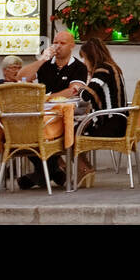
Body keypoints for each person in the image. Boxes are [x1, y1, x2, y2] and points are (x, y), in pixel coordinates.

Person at [15, 30, 87, 188]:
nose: (58, 46)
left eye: (62, 43)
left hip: (63, 116)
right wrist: (42, 59)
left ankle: (41, 175)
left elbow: (72, 90)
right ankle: (51, 172)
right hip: (41, 114)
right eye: (55, 42)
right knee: (24, 131)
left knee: (41, 132)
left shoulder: (79, 67)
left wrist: (48, 97)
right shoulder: (46, 64)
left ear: (72, 46)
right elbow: (20, 78)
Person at [68, 38, 127, 188]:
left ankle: (84, 169)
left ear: (90, 56)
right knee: (75, 129)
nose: (84, 62)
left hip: (110, 125)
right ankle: (85, 169)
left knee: (69, 133)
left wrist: (79, 88)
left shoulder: (102, 70)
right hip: (119, 121)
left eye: (85, 58)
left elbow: (87, 96)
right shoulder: (113, 68)